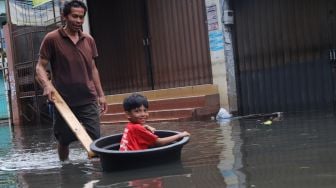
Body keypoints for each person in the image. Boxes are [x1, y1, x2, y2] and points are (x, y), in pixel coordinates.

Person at [35, 0, 107, 161]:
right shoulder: (52, 38)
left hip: (88, 98)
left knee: (95, 141)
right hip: (63, 102)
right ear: (64, 16)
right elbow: (40, 67)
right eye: (74, 16)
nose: (79, 21)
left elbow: (93, 69)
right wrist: (47, 85)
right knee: (64, 140)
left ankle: (96, 177)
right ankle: (64, 170)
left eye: (81, 17)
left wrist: (101, 94)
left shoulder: (89, 40)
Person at [119, 93, 190, 151]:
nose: (143, 114)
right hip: (133, 160)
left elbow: (136, 130)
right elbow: (159, 142)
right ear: (128, 114)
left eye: (145, 110)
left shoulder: (129, 125)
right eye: (137, 111)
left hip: (124, 156)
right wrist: (180, 135)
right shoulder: (137, 128)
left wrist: (146, 126)